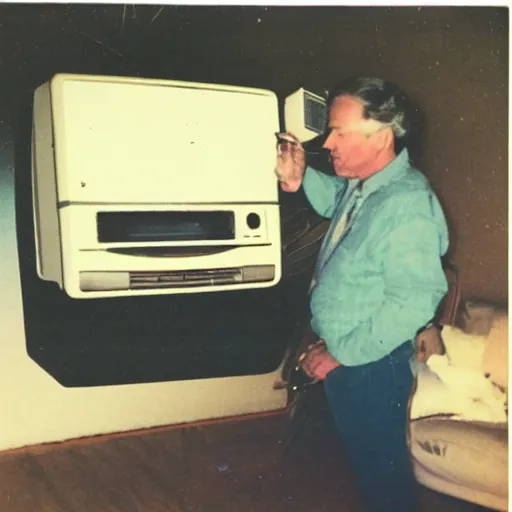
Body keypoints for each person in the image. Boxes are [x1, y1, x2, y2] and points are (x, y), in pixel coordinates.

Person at [275, 76, 449, 511]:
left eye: (340, 132)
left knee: (382, 481)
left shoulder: (407, 205)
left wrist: (340, 355)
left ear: (382, 137)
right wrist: (300, 179)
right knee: (371, 472)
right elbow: (338, 201)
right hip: (354, 356)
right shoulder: (366, 185)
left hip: (370, 364)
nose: (327, 141)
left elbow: (414, 301)